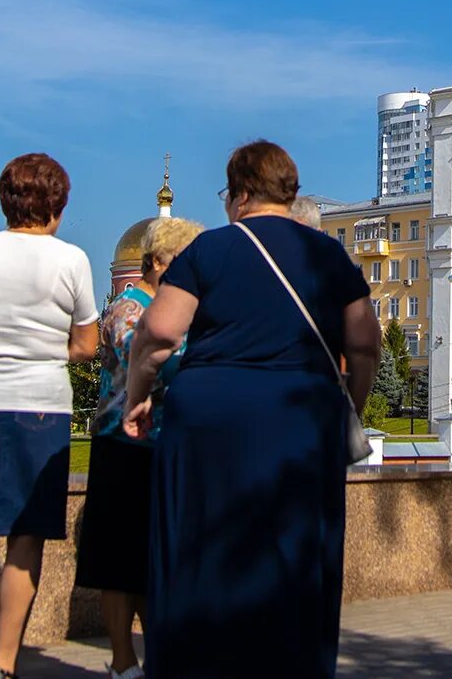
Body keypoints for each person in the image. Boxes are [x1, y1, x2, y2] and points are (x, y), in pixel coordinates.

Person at [124, 140, 380, 679]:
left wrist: (138, 395)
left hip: (208, 425)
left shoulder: (210, 250)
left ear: (239, 194)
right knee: (297, 557)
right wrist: (347, 409)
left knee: (199, 552)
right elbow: (364, 344)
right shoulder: (328, 254)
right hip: (301, 422)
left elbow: (159, 333)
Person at [0, 154, 100, 679]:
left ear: (5, 200)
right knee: (25, 538)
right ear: (58, 204)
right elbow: (87, 343)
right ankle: (5, 663)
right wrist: (48, 347)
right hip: (40, 406)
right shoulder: (71, 260)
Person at [76, 215, 203, 679]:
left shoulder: (180, 310)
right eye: (180, 259)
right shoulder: (130, 308)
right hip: (123, 440)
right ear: (156, 262)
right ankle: (122, 657)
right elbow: (143, 358)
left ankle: (157, 652)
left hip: (163, 440)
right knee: (119, 556)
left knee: (150, 555)